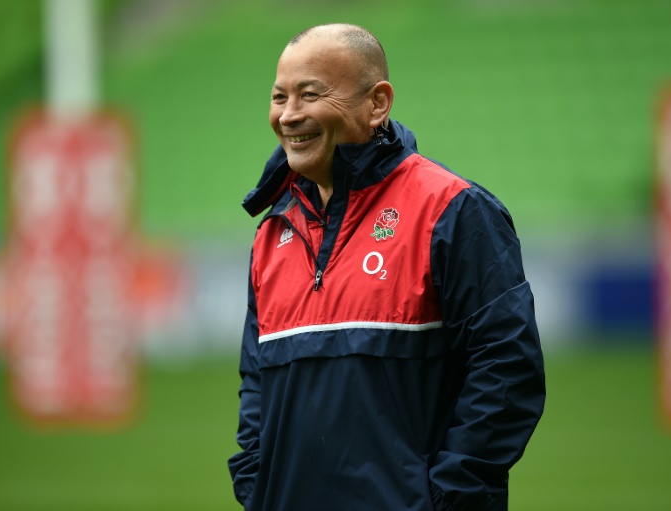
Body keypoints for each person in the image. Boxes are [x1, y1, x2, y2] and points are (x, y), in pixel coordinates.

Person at [228, 23, 546, 511]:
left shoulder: (454, 211)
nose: (289, 116)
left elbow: (507, 371)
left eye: (309, 94)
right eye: (279, 97)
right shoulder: (273, 232)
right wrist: (256, 485)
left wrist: (445, 500)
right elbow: (256, 383)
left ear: (377, 103)